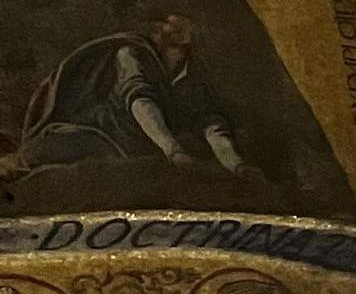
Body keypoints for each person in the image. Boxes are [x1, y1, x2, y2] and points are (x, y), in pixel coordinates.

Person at [9, 16, 243, 180]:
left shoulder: (191, 77)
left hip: (140, 148)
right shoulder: (131, 54)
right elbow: (140, 100)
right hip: (102, 133)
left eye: (179, 31)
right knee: (34, 153)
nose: (169, 30)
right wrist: (173, 150)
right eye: (167, 27)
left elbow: (211, 123)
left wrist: (236, 164)